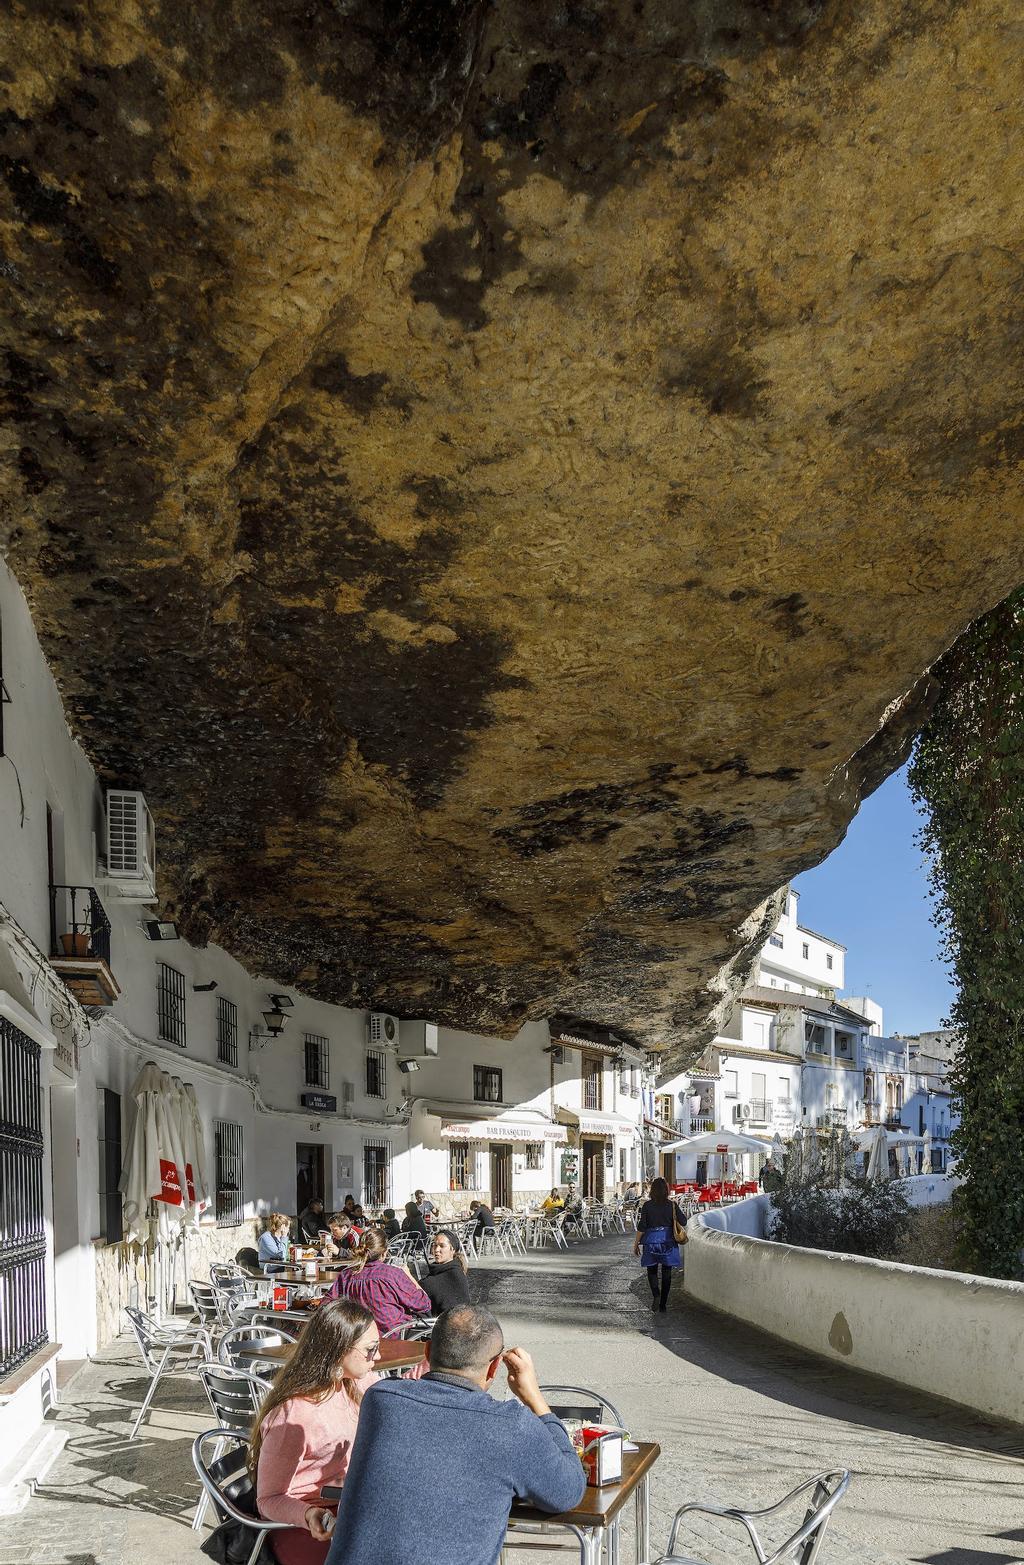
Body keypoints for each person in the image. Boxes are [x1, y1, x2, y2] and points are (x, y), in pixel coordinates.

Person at [325, 1305, 586, 1565]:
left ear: (427, 1352)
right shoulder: (511, 1426)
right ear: (494, 1367)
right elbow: (567, 1492)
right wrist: (534, 1398)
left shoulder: (381, 1399)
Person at [253, 1298, 381, 1565]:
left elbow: (398, 1395)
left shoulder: (354, 1384)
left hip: (345, 1505)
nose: (377, 1357)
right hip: (302, 1523)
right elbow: (268, 1499)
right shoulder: (295, 1415)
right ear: (339, 1350)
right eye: (371, 1350)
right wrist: (308, 1514)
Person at [329, 1227, 432, 1331]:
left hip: (359, 1335)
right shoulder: (392, 1274)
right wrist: (409, 1276)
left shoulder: (346, 1275)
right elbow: (423, 1304)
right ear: (384, 1252)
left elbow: (327, 1303)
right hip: (393, 1335)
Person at [633, 1176, 686, 1313]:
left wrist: (636, 1243)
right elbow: (684, 1221)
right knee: (667, 1273)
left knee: (651, 1270)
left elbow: (642, 1227)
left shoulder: (647, 1206)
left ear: (653, 1190)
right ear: (666, 1190)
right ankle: (663, 1304)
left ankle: (656, 1294)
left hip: (651, 1241)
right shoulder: (671, 1205)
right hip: (668, 1241)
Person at [420, 1230, 471, 1315]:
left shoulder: (454, 1273)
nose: (436, 1250)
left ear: (452, 1249)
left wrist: (407, 1274)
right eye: (435, 1245)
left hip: (447, 1322)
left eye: (442, 1246)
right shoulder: (439, 1269)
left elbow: (424, 1287)